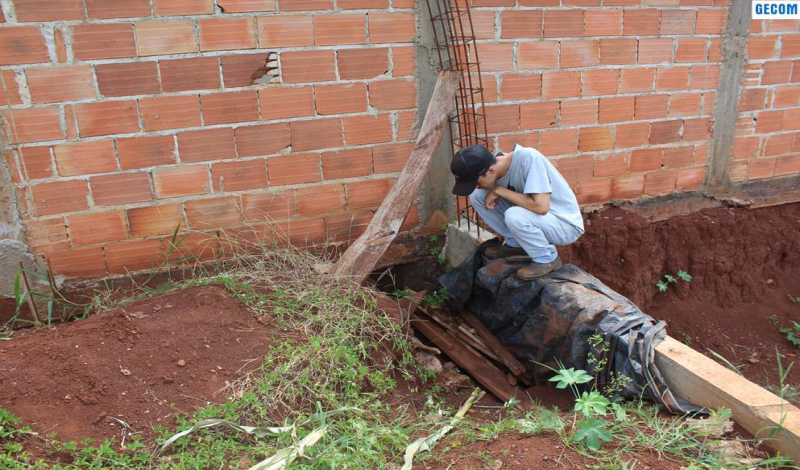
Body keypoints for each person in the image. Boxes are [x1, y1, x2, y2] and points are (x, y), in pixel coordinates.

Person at [450, 144, 585, 280]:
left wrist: (499, 190)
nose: (476, 185)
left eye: (476, 182)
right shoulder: (497, 165)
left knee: (514, 215)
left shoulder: (529, 158)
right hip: (539, 220)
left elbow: (541, 207)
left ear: (491, 170)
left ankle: (547, 258)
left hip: (564, 225)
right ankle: (516, 244)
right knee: (477, 195)